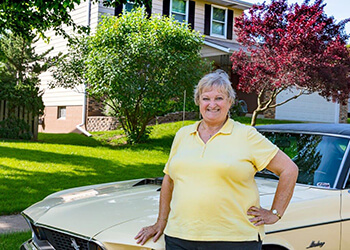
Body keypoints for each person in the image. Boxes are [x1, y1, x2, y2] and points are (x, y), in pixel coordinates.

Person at [135, 70, 298, 249]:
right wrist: (161, 221)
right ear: (198, 102)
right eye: (206, 98)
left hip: (234, 240)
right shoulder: (183, 134)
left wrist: (275, 213)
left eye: (219, 98)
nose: (212, 104)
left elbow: (288, 169)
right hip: (179, 237)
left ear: (230, 102)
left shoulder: (246, 135)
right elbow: (169, 180)